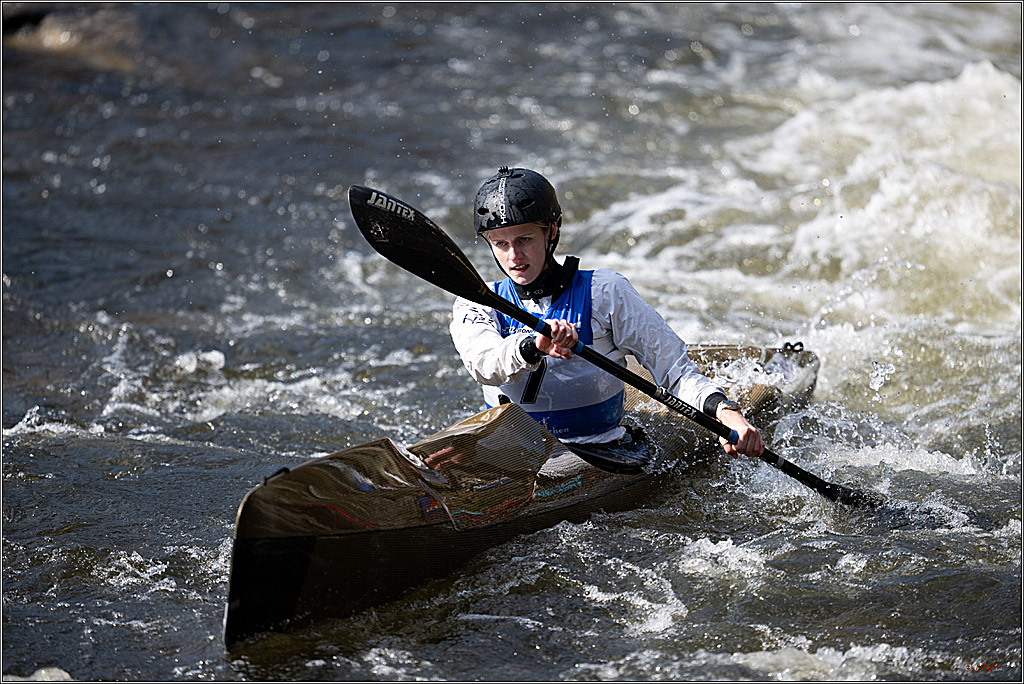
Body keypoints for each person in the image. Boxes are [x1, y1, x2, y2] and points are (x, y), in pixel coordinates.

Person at [449, 166, 764, 459]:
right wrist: (534, 345)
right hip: (513, 457)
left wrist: (725, 411)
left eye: (524, 239)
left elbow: (675, 371)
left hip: (598, 451)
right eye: (500, 243)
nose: (514, 256)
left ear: (552, 231)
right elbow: (483, 364)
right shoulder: (478, 303)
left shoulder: (605, 292)